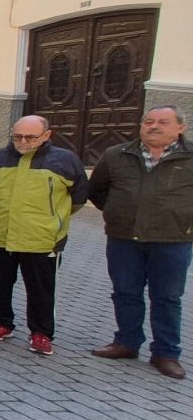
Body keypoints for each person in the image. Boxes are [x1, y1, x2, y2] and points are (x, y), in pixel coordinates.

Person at [87, 106, 192, 379]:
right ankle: (127, 342)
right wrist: (118, 212)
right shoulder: (116, 154)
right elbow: (97, 190)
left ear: (181, 127)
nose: (154, 126)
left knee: (167, 297)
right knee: (125, 292)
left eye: (163, 122)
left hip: (172, 240)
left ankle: (166, 353)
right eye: (148, 121)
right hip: (124, 238)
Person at [0, 115, 89, 355]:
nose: (23, 141)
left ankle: (41, 333)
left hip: (41, 240)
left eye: (30, 137)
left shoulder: (66, 161)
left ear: (46, 135)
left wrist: (50, 221)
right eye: (17, 136)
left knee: (41, 290)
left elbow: (78, 199)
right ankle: (1, 323)